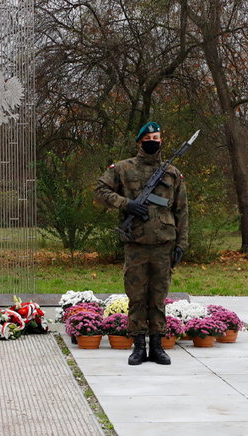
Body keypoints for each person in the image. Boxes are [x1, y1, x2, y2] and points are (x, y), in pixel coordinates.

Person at [94, 121, 188, 366]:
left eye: (157, 137)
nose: (154, 141)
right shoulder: (123, 169)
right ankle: (138, 346)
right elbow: (100, 191)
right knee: (136, 296)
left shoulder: (172, 173)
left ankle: (157, 345)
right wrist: (127, 204)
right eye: (149, 137)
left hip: (163, 245)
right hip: (135, 243)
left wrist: (181, 244)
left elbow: (182, 211)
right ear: (139, 142)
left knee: (158, 297)